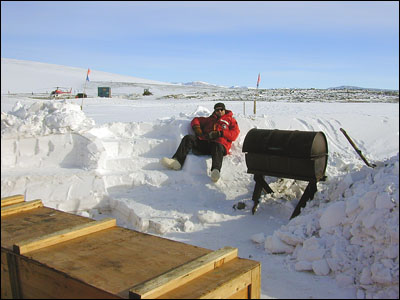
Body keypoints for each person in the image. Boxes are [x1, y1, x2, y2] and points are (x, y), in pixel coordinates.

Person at [160, 102, 240, 182]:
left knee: (217, 145)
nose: (219, 111)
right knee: (188, 138)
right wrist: (197, 128)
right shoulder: (210, 119)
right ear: (214, 111)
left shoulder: (231, 120)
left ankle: (215, 171)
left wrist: (221, 133)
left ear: (224, 110)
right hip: (206, 144)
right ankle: (177, 162)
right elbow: (196, 120)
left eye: (221, 109)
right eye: (217, 110)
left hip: (220, 146)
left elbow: (234, 134)